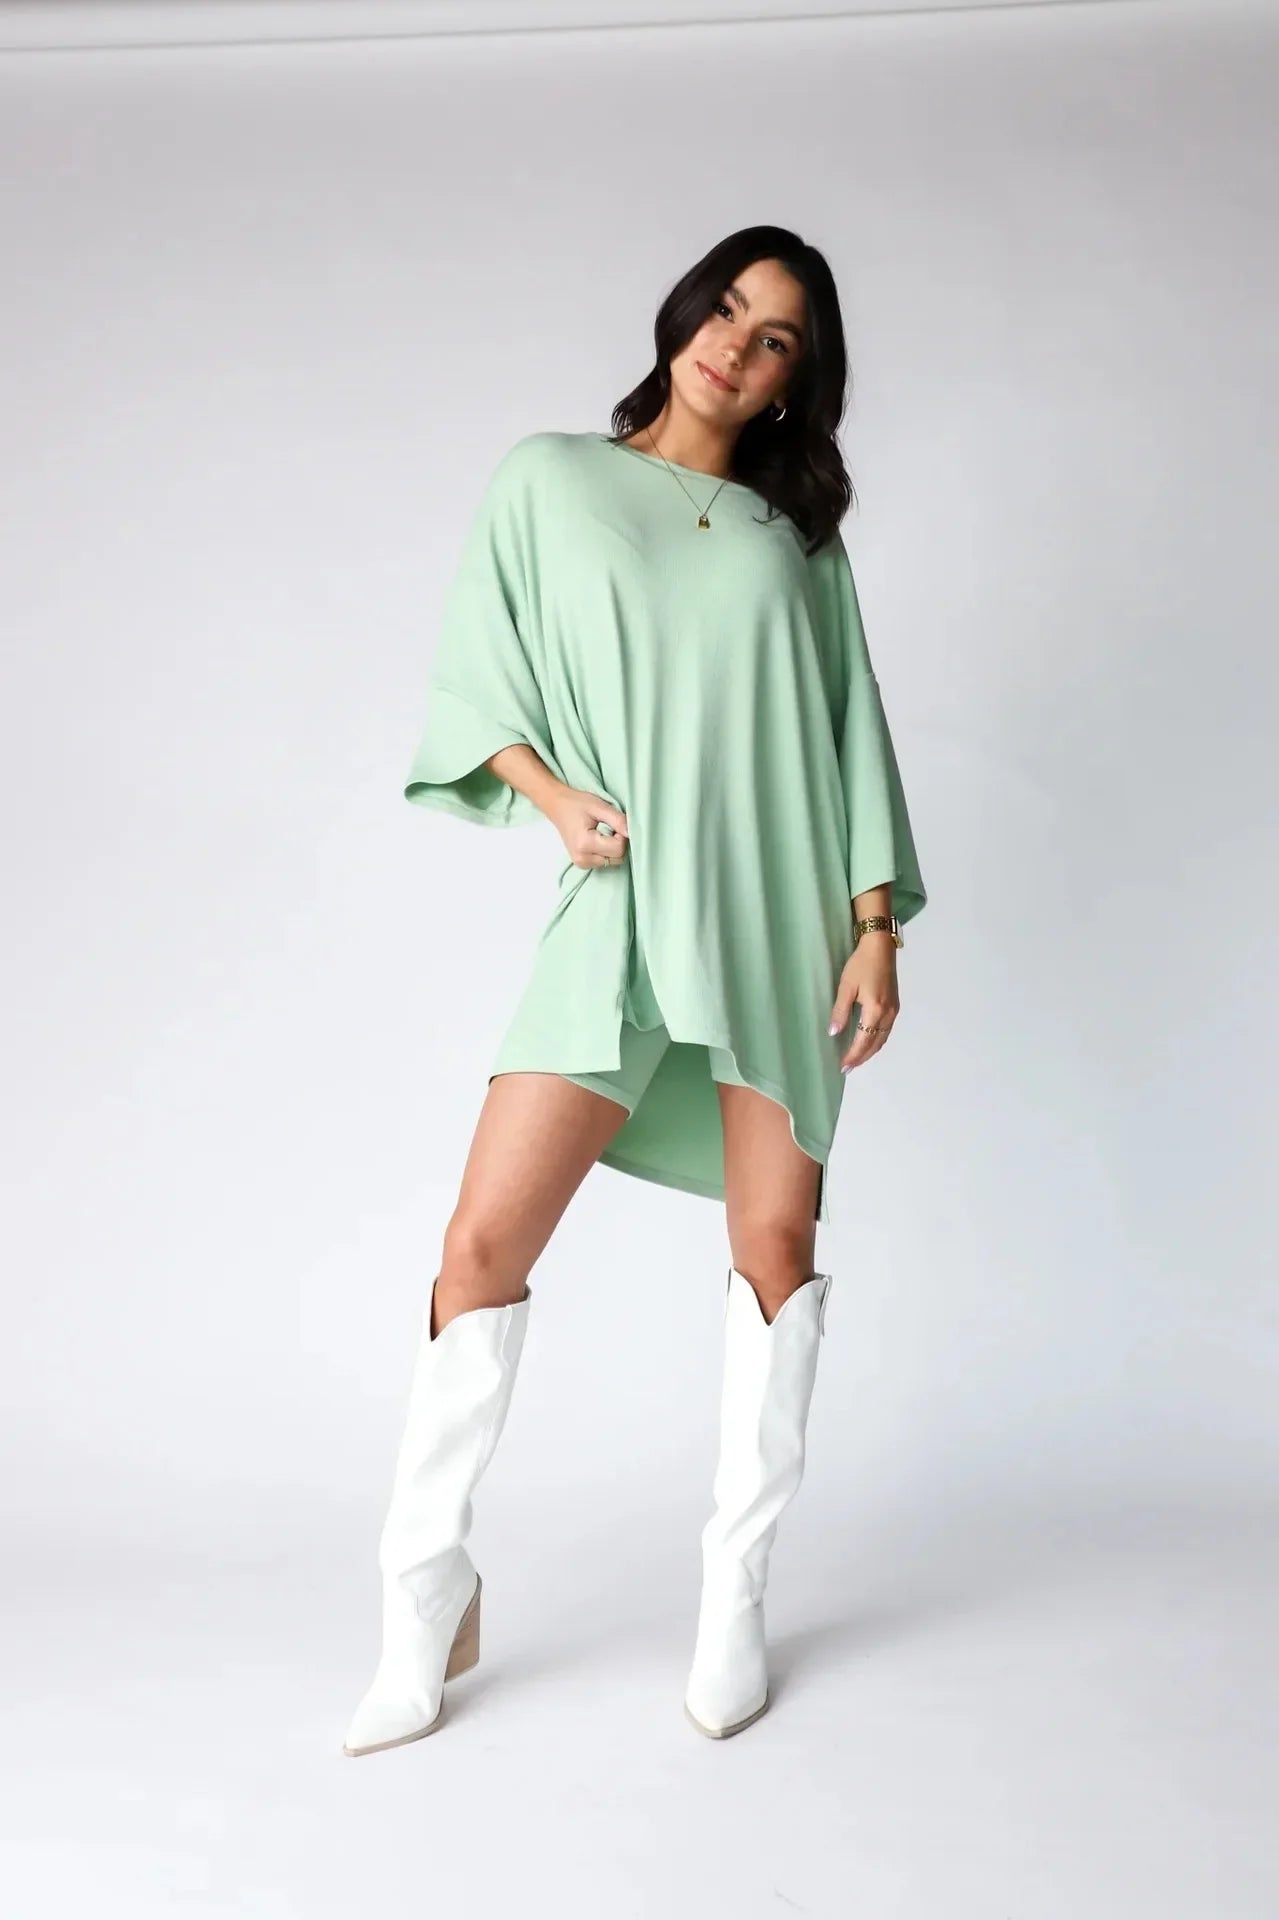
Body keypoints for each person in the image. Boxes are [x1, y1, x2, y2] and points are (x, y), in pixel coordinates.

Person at [342, 224, 928, 1757]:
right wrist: (553, 802)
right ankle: (425, 1597)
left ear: (797, 380)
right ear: (683, 316)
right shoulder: (549, 479)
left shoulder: (798, 538)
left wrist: (875, 924)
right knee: (479, 1246)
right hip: (618, 904)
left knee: (776, 1248)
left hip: (782, 913)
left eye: (777, 336)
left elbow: (851, 719)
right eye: (727, 309)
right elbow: (480, 669)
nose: (738, 344)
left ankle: (733, 1603)